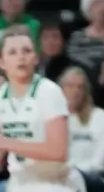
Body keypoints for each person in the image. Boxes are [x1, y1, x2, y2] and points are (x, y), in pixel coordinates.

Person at [0, 27, 83, 192]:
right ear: (2, 62)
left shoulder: (48, 91)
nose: (21, 57)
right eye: (13, 52)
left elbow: (58, 151)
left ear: (36, 58)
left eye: (26, 51)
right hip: (18, 183)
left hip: (56, 183)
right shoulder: (2, 95)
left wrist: (8, 142)